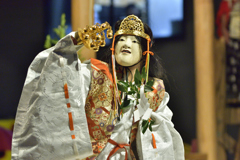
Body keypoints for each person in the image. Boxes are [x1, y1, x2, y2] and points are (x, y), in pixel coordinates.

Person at [11, 15, 184, 160]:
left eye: (134, 41)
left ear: (146, 50)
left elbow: (164, 141)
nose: (126, 44)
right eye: (121, 39)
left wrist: (147, 115)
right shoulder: (95, 74)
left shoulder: (154, 90)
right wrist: (76, 40)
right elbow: (58, 66)